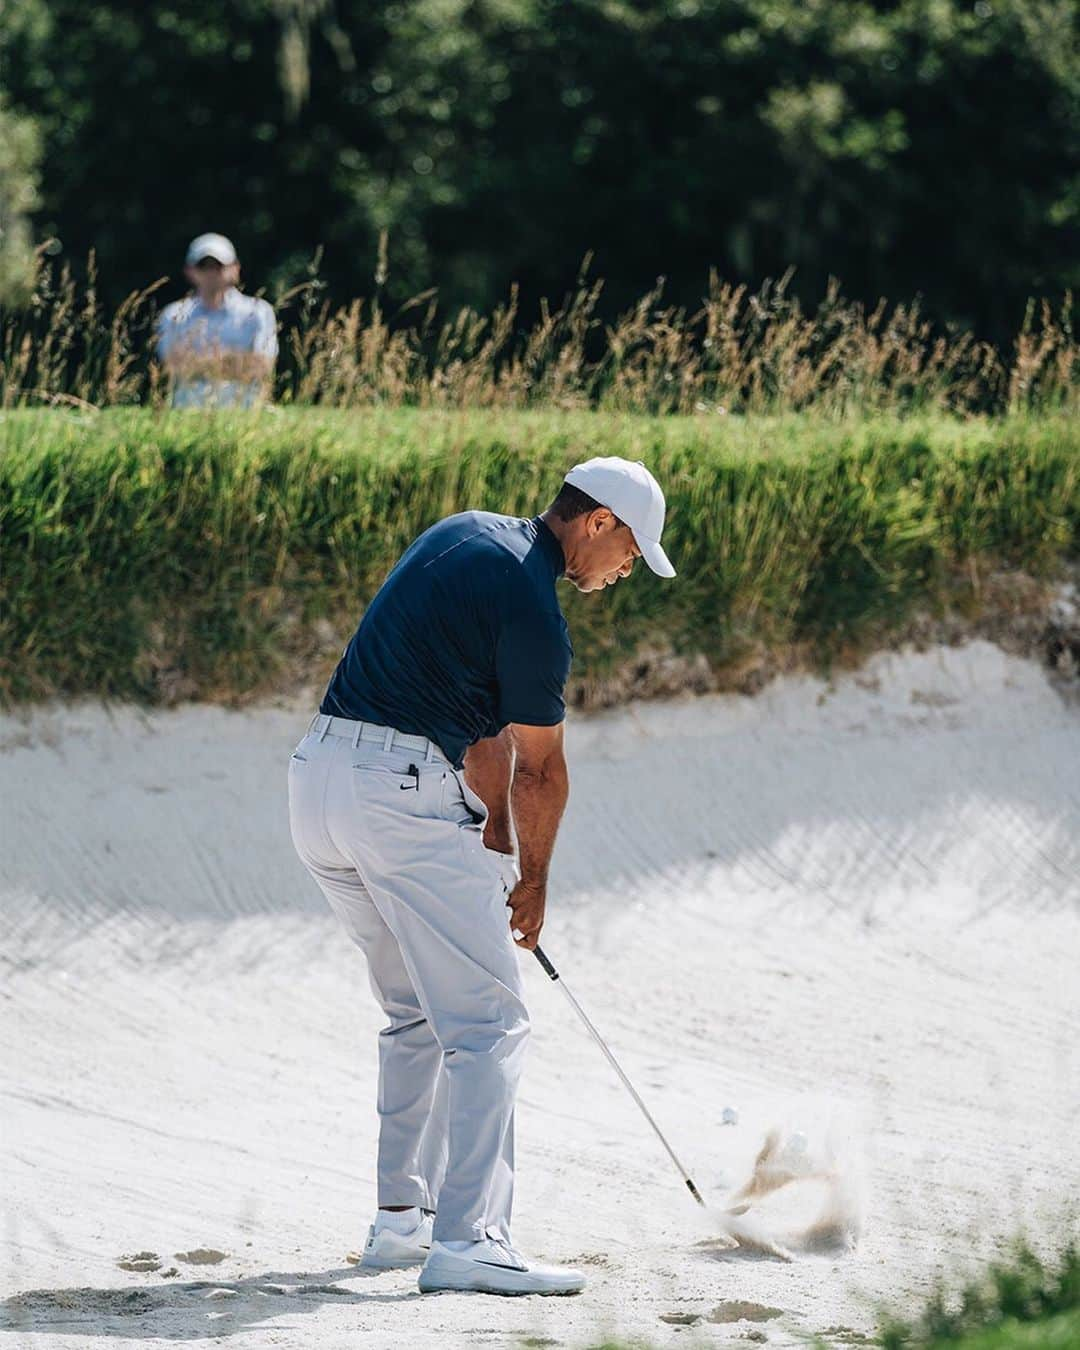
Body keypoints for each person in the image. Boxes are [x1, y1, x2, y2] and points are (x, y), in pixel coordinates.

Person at [287, 456, 676, 1296]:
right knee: (489, 1024)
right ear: (599, 522)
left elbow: (484, 737)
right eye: (633, 551)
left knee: (416, 1013)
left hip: (316, 782)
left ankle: (401, 1224)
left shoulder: (465, 532)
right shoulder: (537, 612)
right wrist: (533, 883)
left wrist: (493, 846)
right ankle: (471, 1240)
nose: (627, 571)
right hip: (395, 801)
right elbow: (541, 768)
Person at [156, 233, 277, 408]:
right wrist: (234, 360)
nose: (211, 272)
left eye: (218, 266)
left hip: (245, 411)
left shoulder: (258, 311)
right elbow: (172, 368)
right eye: (204, 266)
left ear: (235, 268)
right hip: (188, 410)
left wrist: (198, 362)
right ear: (189, 271)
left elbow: (262, 367)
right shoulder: (174, 314)